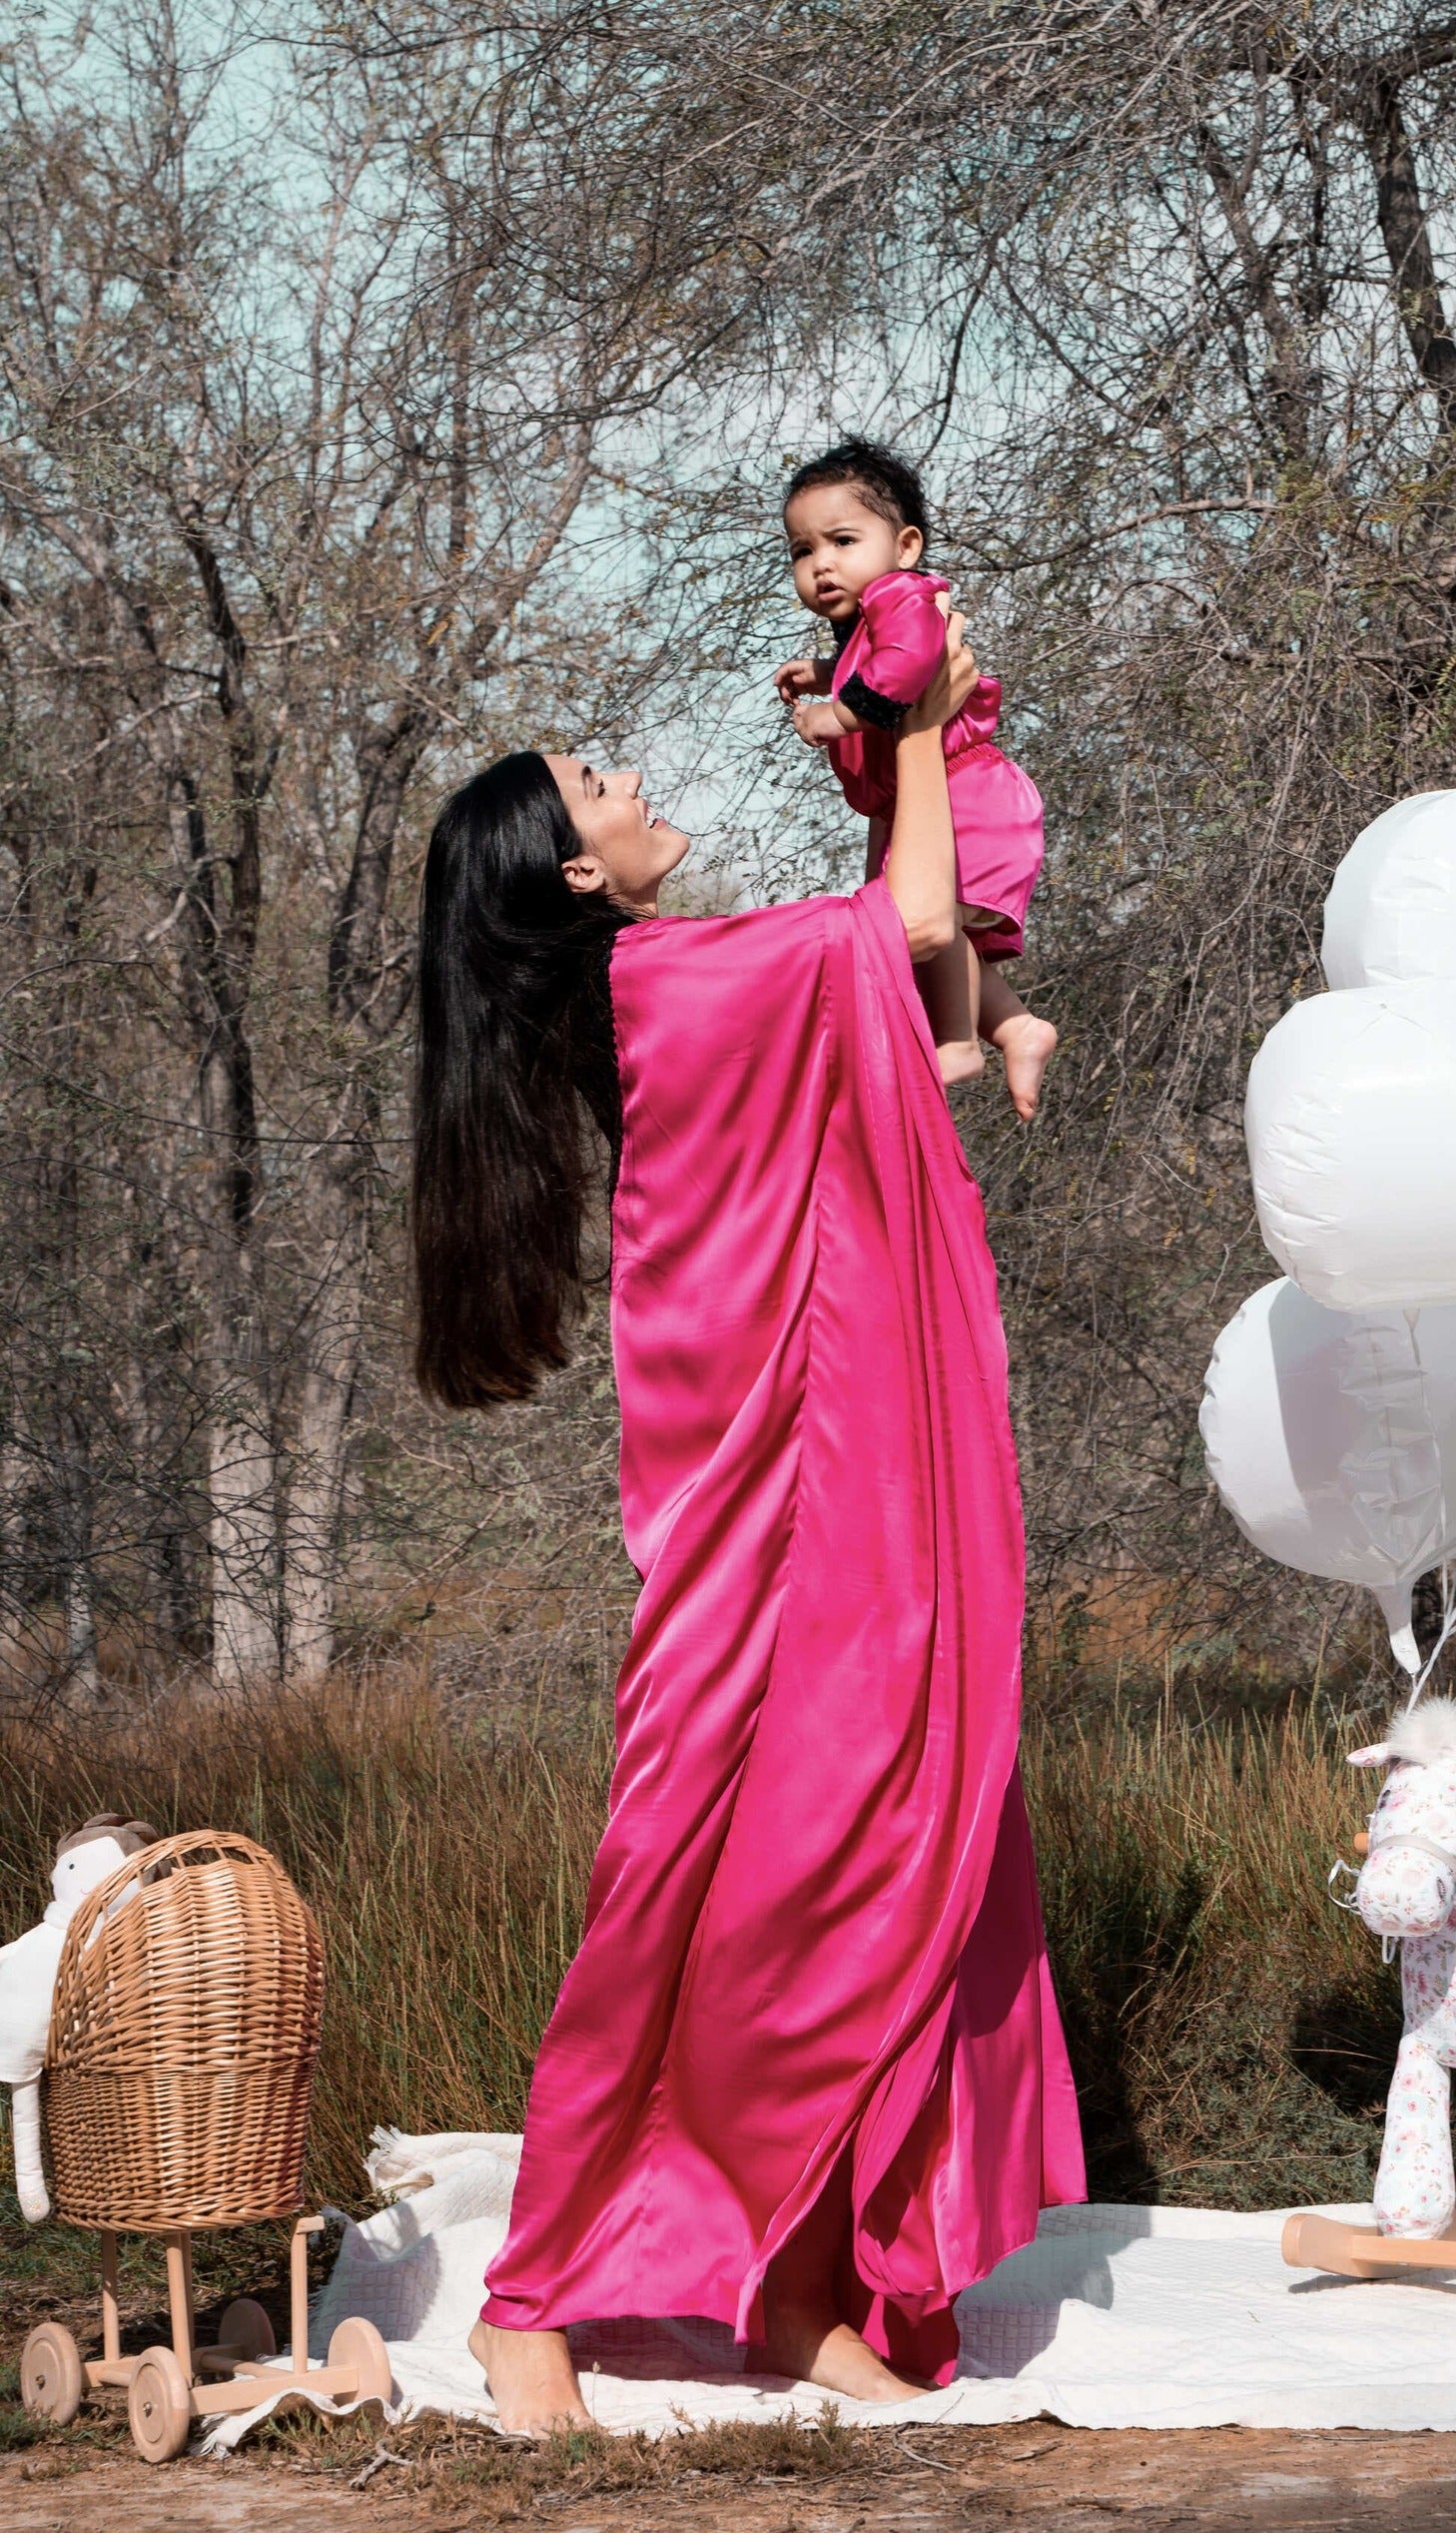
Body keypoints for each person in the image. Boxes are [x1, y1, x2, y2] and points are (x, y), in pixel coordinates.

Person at [410, 614, 1084, 2436]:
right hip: (750, 1502)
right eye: (591, 784)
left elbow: (901, 987)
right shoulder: (664, 984)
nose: (626, 785)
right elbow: (915, 932)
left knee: (840, 1854)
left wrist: (882, 755)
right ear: (570, 867)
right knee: (689, 1882)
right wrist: (923, 729)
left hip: (797, 1476)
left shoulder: (657, 980)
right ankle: (531, 2298)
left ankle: (791, 2286)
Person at [775, 440, 1059, 1121]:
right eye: (801, 550)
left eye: (842, 540)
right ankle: (1016, 1026)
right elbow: (879, 659)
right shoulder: (873, 618)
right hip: (940, 795)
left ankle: (959, 1041)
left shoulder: (902, 597)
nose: (821, 565)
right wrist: (824, 670)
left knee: (936, 919)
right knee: (933, 930)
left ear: (904, 546)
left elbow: (906, 667)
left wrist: (834, 714)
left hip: (965, 794)